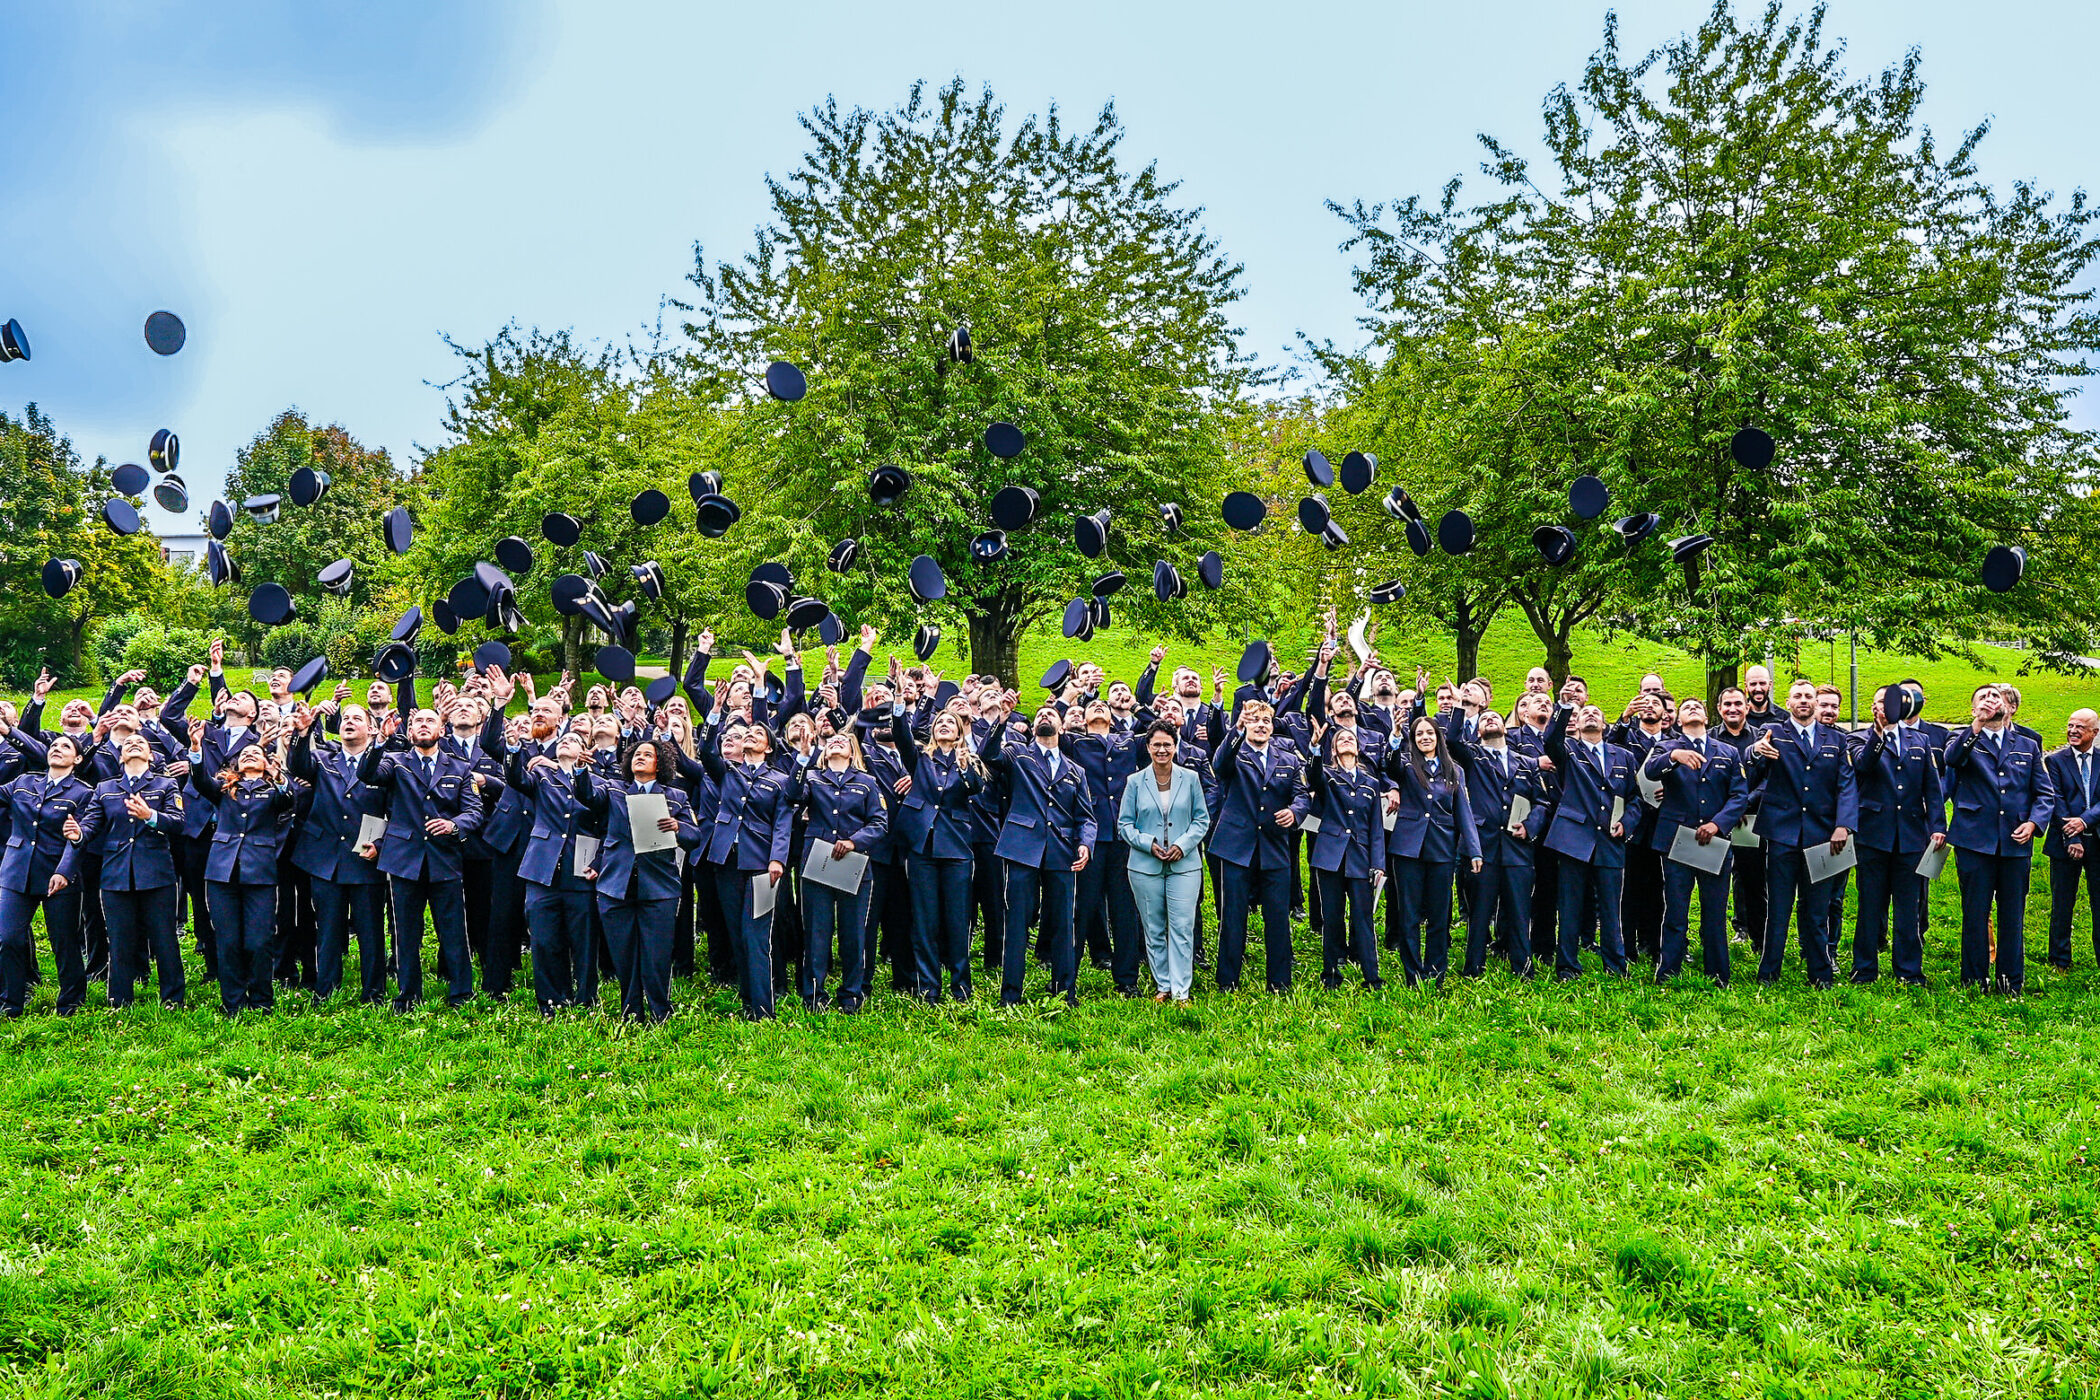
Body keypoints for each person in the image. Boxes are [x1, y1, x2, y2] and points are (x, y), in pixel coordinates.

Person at [354, 706, 486, 1010]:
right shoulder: (395, 762)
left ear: (441, 729)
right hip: (403, 858)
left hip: (445, 858)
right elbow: (367, 773)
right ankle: (408, 995)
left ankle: (461, 994)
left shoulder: (460, 767)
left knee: (453, 930)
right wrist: (380, 742)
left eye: (430, 721)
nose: (424, 725)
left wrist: (455, 825)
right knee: (406, 932)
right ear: (409, 731)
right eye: (417, 722)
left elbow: (474, 811)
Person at [572, 738, 702, 1022]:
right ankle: (631, 1011)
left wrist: (678, 826)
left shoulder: (675, 796)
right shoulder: (614, 789)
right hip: (615, 886)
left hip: (658, 888)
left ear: (660, 765)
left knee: (656, 956)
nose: (640, 758)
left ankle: (659, 1012)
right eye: (636, 754)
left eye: (648, 754)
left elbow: (694, 838)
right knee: (624, 954)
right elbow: (588, 797)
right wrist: (580, 771)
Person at [1744, 679, 1857, 989]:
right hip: (1782, 834)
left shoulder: (1836, 740)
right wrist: (1755, 752)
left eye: (1810, 696)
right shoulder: (1772, 734)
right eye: (1798, 696)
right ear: (1789, 702)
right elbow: (1751, 768)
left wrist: (1843, 825)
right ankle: (1769, 973)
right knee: (1778, 908)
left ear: (1816, 703)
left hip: (1822, 835)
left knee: (1818, 909)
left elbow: (1846, 785)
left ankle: (1820, 973)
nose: (1804, 701)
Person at [982, 703, 1096, 1006]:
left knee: (1062, 922)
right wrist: (1001, 721)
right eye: (1040, 715)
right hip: (1022, 847)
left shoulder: (1076, 771)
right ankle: (1010, 995)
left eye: (1051, 715)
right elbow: (987, 755)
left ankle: (1064, 991)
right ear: (1033, 728)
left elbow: (1086, 816)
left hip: (1062, 850)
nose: (1045, 716)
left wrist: (1085, 843)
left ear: (1061, 727)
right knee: (1016, 922)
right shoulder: (1017, 755)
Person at [1943, 685, 2053, 993]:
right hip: (1974, 842)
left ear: (2007, 704)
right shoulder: (1962, 739)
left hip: (2015, 843)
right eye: (1983, 697)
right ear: (1974, 708)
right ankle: (1974, 979)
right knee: (1975, 912)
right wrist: (1976, 725)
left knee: (2012, 914)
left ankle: (2010, 981)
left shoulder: (2027, 745)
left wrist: (2034, 822)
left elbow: (2044, 793)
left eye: (1995, 696)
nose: (1991, 700)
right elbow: (1952, 760)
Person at [1643, 698, 1749, 985]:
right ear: (1677, 720)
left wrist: (1718, 824)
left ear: (1707, 716)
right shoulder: (1667, 747)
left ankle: (1717, 973)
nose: (1692, 709)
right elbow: (1650, 771)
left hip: (1714, 841)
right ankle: (1669, 971)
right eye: (1686, 707)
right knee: (1676, 909)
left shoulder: (1726, 751)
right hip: (1677, 840)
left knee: (1714, 910)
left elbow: (1739, 795)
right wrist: (1674, 756)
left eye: (1698, 707)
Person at [76, 733, 187, 1008]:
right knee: (120, 937)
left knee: (164, 937)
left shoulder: (166, 784)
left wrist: (150, 816)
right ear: (121, 756)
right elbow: (91, 825)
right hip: (116, 873)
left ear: (151, 755)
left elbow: (178, 822)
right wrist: (78, 832)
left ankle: (173, 997)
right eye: (128, 744)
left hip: (157, 873)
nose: (134, 744)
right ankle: (120, 998)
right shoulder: (105, 788)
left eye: (141, 743)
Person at [288, 702, 387, 1004]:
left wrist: (380, 847)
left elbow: (394, 810)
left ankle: (373, 992)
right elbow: (298, 766)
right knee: (328, 928)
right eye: (346, 718)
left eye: (358, 718)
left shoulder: (384, 763)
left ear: (371, 728)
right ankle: (326, 989)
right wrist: (303, 733)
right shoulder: (322, 759)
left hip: (365, 857)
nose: (349, 722)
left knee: (370, 930)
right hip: (325, 858)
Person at [696, 717, 795, 1019]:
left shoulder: (779, 780)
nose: (750, 736)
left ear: (768, 748)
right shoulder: (729, 773)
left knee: (757, 935)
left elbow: (782, 823)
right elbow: (706, 753)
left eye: (757, 734)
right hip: (726, 862)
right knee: (737, 932)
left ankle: (763, 1007)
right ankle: (747, 999)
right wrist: (713, 715)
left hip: (761, 864)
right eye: (746, 734)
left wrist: (777, 858)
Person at [192, 741, 300, 1014]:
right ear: (236, 765)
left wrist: (279, 778)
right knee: (227, 941)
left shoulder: (273, 789)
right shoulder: (225, 788)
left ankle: (261, 999)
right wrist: (195, 748)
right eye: (244, 754)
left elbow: (288, 800)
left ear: (266, 763)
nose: (250, 755)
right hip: (222, 872)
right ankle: (233, 1002)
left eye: (256, 753)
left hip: (260, 872)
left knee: (259, 939)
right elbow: (201, 781)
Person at [1209, 700, 1308, 993]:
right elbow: (1219, 765)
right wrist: (1235, 730)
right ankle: (1228, 980)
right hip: (1236, 846)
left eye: (1266, 720)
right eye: (1254, 720)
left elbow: (1302, 794)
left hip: (1274, 848)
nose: (1261, 724)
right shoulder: (1235, 753)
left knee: (1277, 917)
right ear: (1246, 724)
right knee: (1233, 916)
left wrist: (1295, 812)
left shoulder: (1288, 759)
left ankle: (1279, 982)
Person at [1441, 701, 1545, 978]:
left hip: (1517, 848)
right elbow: (1451, 739)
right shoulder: (1473, 757)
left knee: (1519, 912)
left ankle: (1522, 967)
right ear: (1477, 731)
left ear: (1506, 727)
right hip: (1482, 846)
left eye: (1494, 717)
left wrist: (1530, 827)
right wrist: (1460, 706)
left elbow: (1541, 802)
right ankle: (1473, 967)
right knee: (1479, 913)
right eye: (1484, 718)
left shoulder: (1526, 762)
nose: (1489, 720)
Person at [1850, 686, 1946, 986]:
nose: (1887, 708)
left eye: (1891, 704)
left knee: (1909, 908)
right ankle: (1864, 969)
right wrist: (1879, 734)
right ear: (1873, 708)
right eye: (1881, 703)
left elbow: (1932, 787)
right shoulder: (1857, 738)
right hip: (1873, 835)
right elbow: (1864, 766)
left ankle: (1909, 970)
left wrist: (1938, 826)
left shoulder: (1920, 740)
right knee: (1870, 907)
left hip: (1911, 835)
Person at [893, 698, 986, 1002]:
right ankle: (928, 987)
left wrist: (964, 768)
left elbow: (975, 789)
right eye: (939, 723)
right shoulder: (921, 759)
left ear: (960, 733)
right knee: (924, 921)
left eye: (951, 723)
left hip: (957, 848)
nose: (944, 725)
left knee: (958, 920)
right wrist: (898, 703)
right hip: (922, 848)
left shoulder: (968, 761)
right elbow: (902, 734)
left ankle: (961, 987)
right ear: (933, 732)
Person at [0, 724, 93, 1016]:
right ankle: (12, 1000)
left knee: (64, 941)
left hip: (58, 876)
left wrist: (64, 872)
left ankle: (71, 1001)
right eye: (54, 746)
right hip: (16, 873)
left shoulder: (83, 793)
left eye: (66, 747)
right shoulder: (24, 781)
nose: (57, 748)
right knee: (7, 937)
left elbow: (80, 837)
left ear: (77, 760)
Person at [1542, 702, 1637, 979]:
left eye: (1597, 712)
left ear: (1605, 724)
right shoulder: (1569, 751)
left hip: (1610, 839)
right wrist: (1564, 706)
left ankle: (1616, 966)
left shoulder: (1623, 756)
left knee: (1610, 907)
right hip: (1574, 837)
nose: (1592, 714)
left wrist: (1626, 823)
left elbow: (1634, 799)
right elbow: (1550, 740)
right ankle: (1567, 965)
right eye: (1586, 713)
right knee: (1570, 905)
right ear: (1577, 723)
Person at [1117, 719, 1210, 1002]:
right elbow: (1125, 824)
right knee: (1154, 927)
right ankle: (1164, 984)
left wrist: (1183, 844)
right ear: (1147, 747)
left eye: (1166, 744)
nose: (1161, 750)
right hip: (1145, 866)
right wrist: (1149, 844)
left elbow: (1201, 819)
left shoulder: (1191, 778)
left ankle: (1182, 990)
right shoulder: (1134, 782)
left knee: (1182, 926)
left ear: (1175, 746)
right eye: (1156, 744)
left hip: (1184, 865)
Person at [796, 731, 888, 1012]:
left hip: (854, 863)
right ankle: (814, 995)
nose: (836, 741)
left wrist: (854, 841)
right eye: (831, 740)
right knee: (817, 931)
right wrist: (802, 756)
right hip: (818, 861)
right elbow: (792, 795)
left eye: (843, 741)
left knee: (854, 932)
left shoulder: (867, 782)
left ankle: (852, 994)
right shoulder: (812, 777)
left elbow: (880, 822)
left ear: (852, 751)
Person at [1307, 719, 1396, 988]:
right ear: (1333, 750)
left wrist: (1378, 862)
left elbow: (1376, 828)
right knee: (1332, 917)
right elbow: (1313, 778)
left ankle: (1372, 976)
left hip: (1360, 857)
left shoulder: (1370, 783)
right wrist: (1314, 748)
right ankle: (1332, 973)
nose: (1347, 741)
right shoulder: (1328, 776)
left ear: (1358, 749)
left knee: (1363, 917)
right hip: (1330, 857)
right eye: (1340, 740)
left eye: (1351, 740)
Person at [513, 730, 597, 1014]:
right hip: (542, 868)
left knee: (583, 939)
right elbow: (516, 778)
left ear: (585, 750)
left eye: (573, 740)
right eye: (563, 739)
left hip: (580, 868)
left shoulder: (597, 782)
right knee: (544, 939)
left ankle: (585, 998)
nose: (565, 741)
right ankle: (551, 1000)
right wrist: (513, 748)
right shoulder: (542, 777)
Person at [2044, 708, 2100, 973]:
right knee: (2062, 902)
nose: (2073, 731)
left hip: (2097, 838)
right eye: (2070, 725)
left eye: (2080, 727)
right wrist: (2073, 836)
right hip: (2065, 840)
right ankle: (2059, 959)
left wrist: (2085, 820)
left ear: (2095, 733)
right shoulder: (2055, 761)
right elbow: (2056, 799)